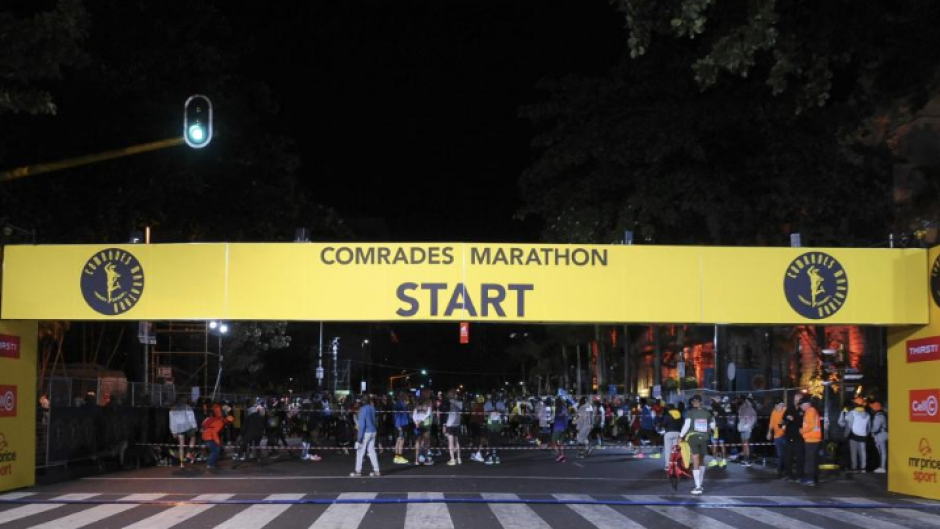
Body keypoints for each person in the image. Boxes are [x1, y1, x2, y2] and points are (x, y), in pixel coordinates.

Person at [679, 394, 715, 495]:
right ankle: (700, 484)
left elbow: (686, 426)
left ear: (694, 402)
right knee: (702, 460)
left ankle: (698, 486)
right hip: (704, 438)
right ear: (701, 402)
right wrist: (709, 428)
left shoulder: (690, 413)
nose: (693, 403)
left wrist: (681, 436)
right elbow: (713, 425)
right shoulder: (707, 413)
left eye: (694, 401)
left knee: (695, 459)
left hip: (693, 438)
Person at [351, 395, 380, 477]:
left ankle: (358, 471)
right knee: (371, 451)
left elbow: (362, 425)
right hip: (373, 431)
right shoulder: (372, 408)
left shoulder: (362, 409)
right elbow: (374, 420)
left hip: (366, 432)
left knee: (360, 452)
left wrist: (359, 437)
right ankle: (376, 471)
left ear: (362, 401)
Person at [839, 396, 871, 473]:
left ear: (855, 404)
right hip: (863, 435)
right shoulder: (867, 414)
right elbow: (869, 427)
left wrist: (846, 435)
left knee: (854, 451)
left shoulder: (852, 413)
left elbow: (848, 425)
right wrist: (866, 434)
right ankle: (863, 467)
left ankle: (854, 467)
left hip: (853, 435)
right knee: (862, 451)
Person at [169, 395, 198, 467]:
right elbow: (191, 417)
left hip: (179, 428)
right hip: (188, 426)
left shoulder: (172, 409)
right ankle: (189, 452)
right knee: (193, 437)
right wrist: (194, 426)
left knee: (181, 445)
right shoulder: (187, 407)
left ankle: (182, 463)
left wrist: (173, 431)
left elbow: (172, 421)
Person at [799, 396, 822, 486]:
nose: (800, 407)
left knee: (810, 460)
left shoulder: (810, 411)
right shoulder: (812, 411)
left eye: (801, 405)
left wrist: (801, 431)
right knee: (813, 459)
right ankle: (814, 478)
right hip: (814, 438)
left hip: (811, 439)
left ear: (806, 404)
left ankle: (810, 479)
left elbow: (811, 426)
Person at [782, 392, 805, 482]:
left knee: (800, 457)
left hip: (799, 437)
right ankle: (789, 475)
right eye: (795, 400)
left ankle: (800, 475)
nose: (796, 402)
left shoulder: (803, 410)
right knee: (788, 457)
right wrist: (784, 423)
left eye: (798, 400)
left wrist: (793, 419)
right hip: (789, 437)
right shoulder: (789, 409)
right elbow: (783, 421)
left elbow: (803, 423)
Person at [766, 399, 787, 477]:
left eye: (781, 405)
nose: (780, 406)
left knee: (784, 454)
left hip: (785, 436)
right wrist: (769, 432)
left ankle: (782, 470)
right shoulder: (774, 412)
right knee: (780, 454)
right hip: (777, 436)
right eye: (779, 405)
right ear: (775, 406)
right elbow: (771, 423)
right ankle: (780, 470)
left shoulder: (785, 411)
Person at [201, 403, 226, 471]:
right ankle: (209, 464)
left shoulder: (206, 420)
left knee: (214, 451)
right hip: (211, 437)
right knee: (215, 451)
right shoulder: (215, 420)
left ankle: (210, 463)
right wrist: (218, 442)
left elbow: (203, 426)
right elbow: (214, 431)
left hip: (206, 436)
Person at [661, 402, 684, 471]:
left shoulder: (667, 415)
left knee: (668, 450)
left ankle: (668, 465)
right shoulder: (679, 414)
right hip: (678, 433)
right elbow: (683, 423)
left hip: (669, 433)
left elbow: (664, 423)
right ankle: (676, 464)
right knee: (676, 450)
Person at [444, 390, 463, 465]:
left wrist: (444, 425)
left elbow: (445, 414)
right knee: (457, 442)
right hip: (457, 423)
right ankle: (459, 458)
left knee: (451, 442)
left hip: (450, 424)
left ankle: (452, 460)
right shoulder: (459, 402)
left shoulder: (448, 402)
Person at [737, 396, 757, 466]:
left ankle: (747, 460)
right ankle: (745, 459)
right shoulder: (742, 408)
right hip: (742, 429)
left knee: (746, 444)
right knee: (743, 444)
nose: (746, 402)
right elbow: (740, 418)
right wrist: (740, 426)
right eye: (746, 401)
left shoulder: (751, 410)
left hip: (747, 429)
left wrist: (749, 426)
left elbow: (754, 419)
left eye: (748, 401)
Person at [413, 397, 433, 465]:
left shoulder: (417, 407)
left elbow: (414, 415)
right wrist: (421, 420)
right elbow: (428, 414)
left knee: (418, 442)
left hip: (418, 425)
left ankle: (416, 460)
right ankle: (426, 460)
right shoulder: (428, 406)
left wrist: (416, 423)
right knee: (426, 443)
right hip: (425, 425)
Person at [393, 392, 411, 465]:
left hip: (401, 424)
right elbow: (397, 415)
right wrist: (398, 425)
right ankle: (399, 457)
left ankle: (397, 457)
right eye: (406, 396)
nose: (407, 398)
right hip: (401, 424)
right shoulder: (400, 404)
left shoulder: (400, 404)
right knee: (401, 441)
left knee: (398, 441)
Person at [870, 401, 888, 473]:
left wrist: (870, 430)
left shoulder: (878, 416)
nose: (871, 409)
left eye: (872, 408)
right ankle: (882, 466)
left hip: (880, 436)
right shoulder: (883, 415)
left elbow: (875, 428)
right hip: (883, 435)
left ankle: (882, 467)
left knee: (882, 452)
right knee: (882, 452)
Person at [551, 397, 569, 463]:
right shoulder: (565, 408)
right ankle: (562, 457)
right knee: (561, 443)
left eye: (555, 402)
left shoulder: (558, 408)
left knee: (554, 442)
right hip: (564, 427)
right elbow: (566, 417)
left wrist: (550, 420)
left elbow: (555, 417)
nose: (554, 403)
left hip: (558, 427)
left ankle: (559, 455)